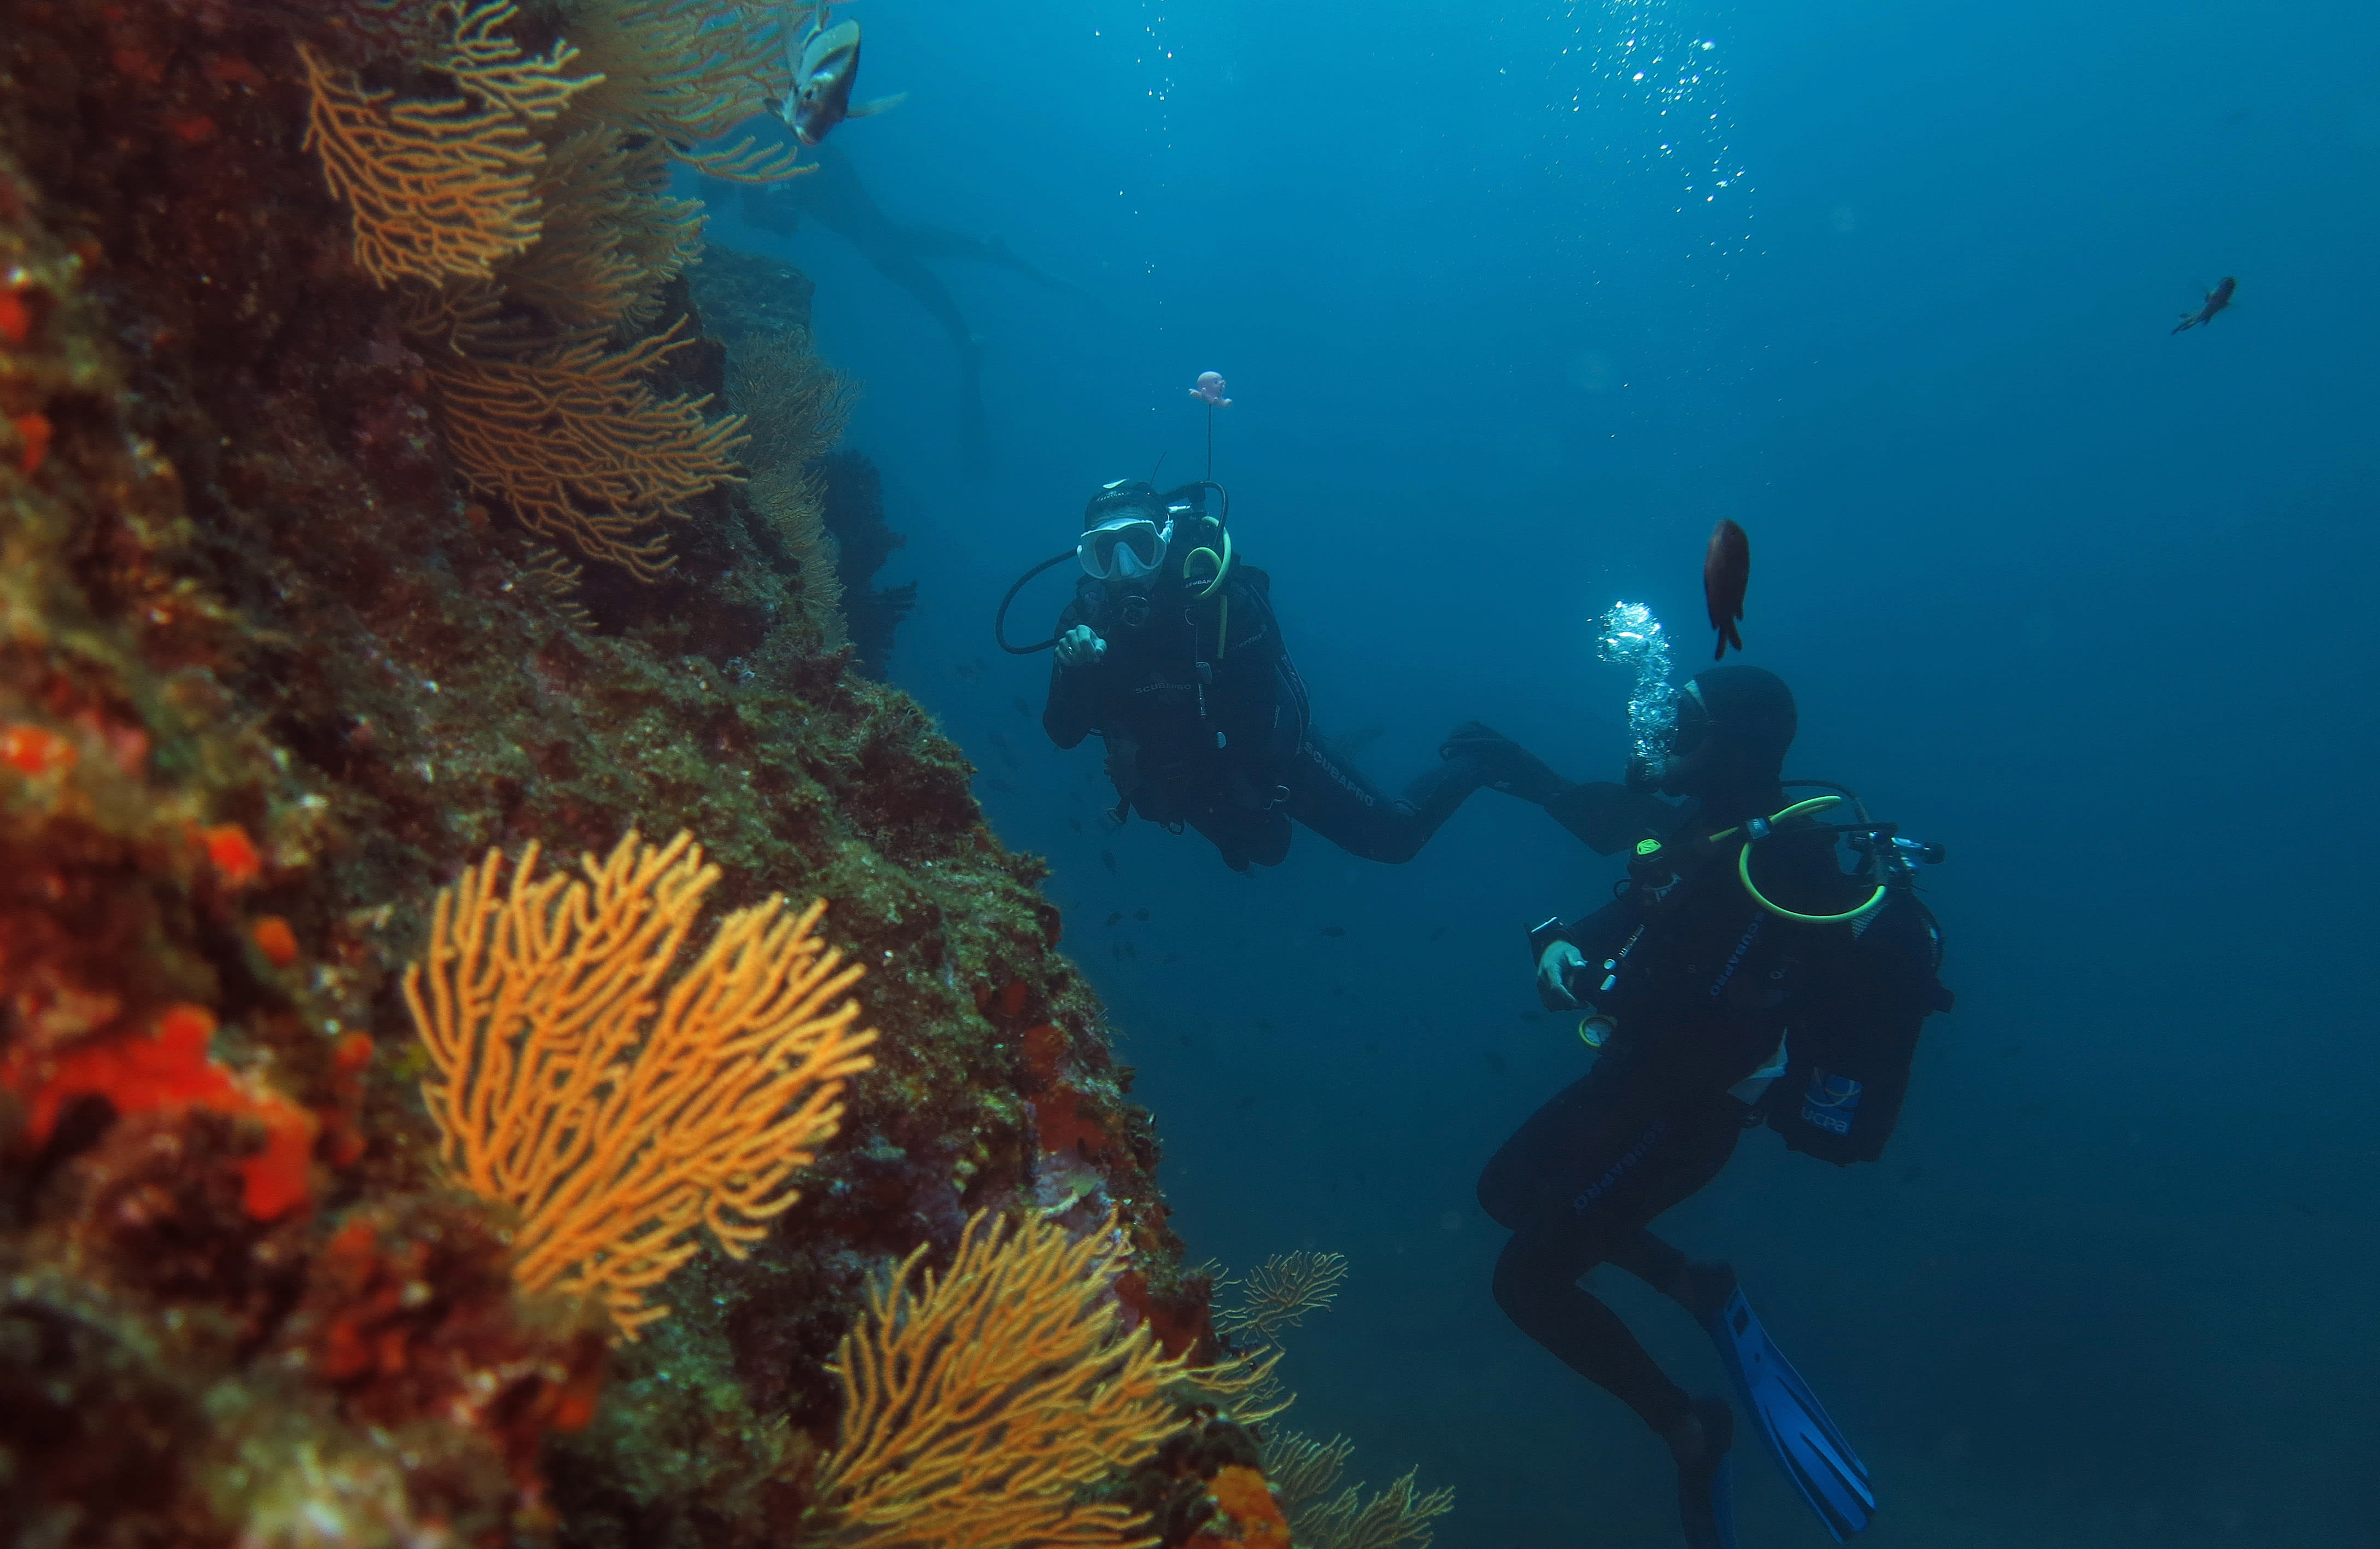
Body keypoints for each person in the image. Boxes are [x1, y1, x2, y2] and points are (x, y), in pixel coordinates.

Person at [1475, 666, 1952, 1547]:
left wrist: (1601, 990)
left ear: (1732, 747)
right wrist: (1566, 947)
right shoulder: (1713, 829)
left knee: (1526, 1282)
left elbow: (1717, 1030)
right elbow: (1640, 911)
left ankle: (1690, 1430)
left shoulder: (1780, 863)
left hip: (1683, 1119)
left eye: (1684, 727)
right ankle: (1692, 1285)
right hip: (1632, 1088)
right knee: (1503, 1193)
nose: (1662, 740)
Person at [1037, 478, 1574, 871]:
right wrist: (1077, 670)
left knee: (1395, 840)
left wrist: (1237, 779)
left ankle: (1477, 754)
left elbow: (1264, 716)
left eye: (1139, 546)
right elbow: (1062, 733)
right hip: (1191, 776)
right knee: (1268, 852)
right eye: (1104, 553)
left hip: (1268, 755)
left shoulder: (1219, 603)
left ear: (1165, 538)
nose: (1125, 568)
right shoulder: (1083, 623)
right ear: (1088, 560)